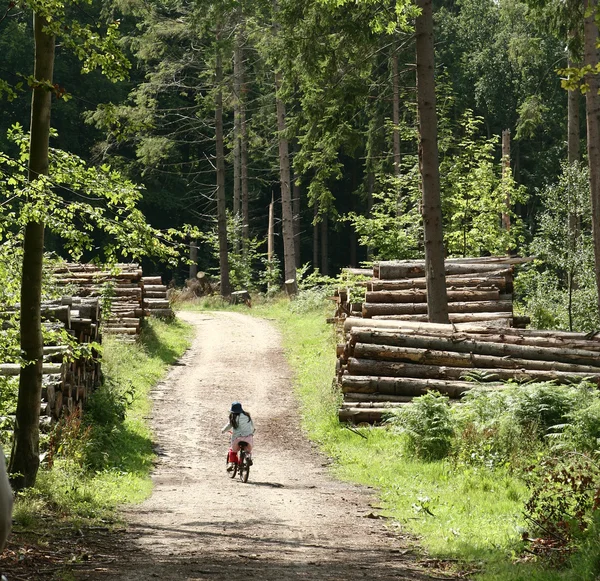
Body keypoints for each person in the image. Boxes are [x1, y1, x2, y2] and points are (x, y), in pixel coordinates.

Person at [221, 401, 255, 471]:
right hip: (248, 437)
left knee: (232, 451)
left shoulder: (233, 417)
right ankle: (247, 457)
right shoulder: (247, 416)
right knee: (247, 450)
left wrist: (223, 430)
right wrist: (252, 432)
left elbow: (229, 425)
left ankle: (231, 463)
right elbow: (253, 426)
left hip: (237, 438)